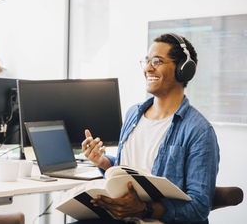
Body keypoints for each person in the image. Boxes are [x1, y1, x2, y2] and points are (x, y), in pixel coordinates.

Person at [81, 34, 220, 224]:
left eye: (157, 61)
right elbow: (131, 172)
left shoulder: (199, 131)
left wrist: (145, 209)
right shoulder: (133, 115)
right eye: (146, 61)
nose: (148, 68)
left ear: (183, 70)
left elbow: (199, 207)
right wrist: (103, 162)